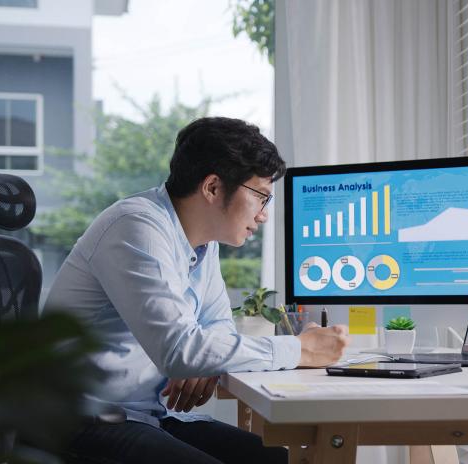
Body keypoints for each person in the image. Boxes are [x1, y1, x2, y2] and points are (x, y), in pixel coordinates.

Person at [44, 117, 350, 463]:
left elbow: (214, 326)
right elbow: (181, 350)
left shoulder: (202, 244)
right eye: (261, 197)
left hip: (141, 414)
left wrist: (205, 360)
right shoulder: (136, 227)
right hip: (76, 419)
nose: (264, 215)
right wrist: (299, 349)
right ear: (213, 188)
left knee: (274, 460)